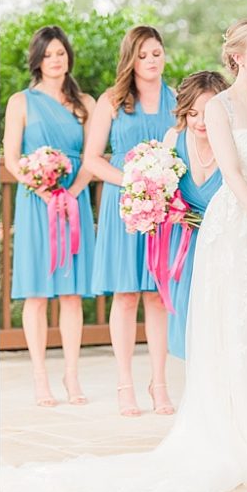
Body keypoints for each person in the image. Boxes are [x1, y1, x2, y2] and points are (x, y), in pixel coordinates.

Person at [3, 17, 247, 492]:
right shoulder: (207, 108)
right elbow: (231, 170)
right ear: (236, 55)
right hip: (233, 224)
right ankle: (230, 429)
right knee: (230, 324)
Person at [84, 25, 177, 416]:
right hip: (124, 204)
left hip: (165, 206)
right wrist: (134, 183)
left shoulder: (177, 101)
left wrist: (163, 186)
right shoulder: (111, 100)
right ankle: (125, 384)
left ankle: (159, 383)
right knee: (125, 294)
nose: (151, 61)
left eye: (156, 53)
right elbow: (92, 161)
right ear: (131, 59)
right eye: (143, 54)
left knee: (158, 295)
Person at [3, 25, 96, 407]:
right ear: (37, 59)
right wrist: (41, 188)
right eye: (48, 54)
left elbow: (91, 157)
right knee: (37, 294)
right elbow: (10, 157)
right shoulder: (20, 101)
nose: (55, 60)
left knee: (72, 295)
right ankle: (40, 377)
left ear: (67, 56)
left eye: (61, 53)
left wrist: (74, 192)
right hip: (37, 204)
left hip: (75, 202)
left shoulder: (84, 103)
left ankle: (71, 375)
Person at [160, 70, 229, 359]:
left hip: (225, 243)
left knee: (222, 322)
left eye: (208, 113)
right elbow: (161, 191)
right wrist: (168, 208)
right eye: (192, 113)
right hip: (185, 244)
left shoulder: (233, 141)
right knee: (189, 323)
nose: (200, 122)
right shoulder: (173, 139)